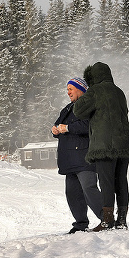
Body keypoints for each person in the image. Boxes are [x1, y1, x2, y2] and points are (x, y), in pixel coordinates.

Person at [72, 61, 129, 231]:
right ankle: (122, 220)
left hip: (104, 144)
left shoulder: (95, 91)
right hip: (125, 142)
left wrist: (86, 93)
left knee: (106, 182)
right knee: (121, 181)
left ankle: (107, 221)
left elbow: (78, 110)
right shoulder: (119, 92)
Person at [52, 77, 102, 233]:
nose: (68, 92)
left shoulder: (89, 105)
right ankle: (80, 224)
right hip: (69, 160)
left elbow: (89, 125)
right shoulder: (67, 109)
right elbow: (58, 124)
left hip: (84, 156)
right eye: (67, 90)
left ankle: (107, 219)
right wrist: (55, 130)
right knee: (72, 193)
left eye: (70, 89)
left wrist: (66, 128)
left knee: (89, 188)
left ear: (80, 89)